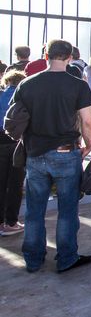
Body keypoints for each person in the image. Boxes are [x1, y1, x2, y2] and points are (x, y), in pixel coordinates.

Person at [10, 39, 91, 272]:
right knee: (67, 210)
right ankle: (67, 258)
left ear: (46, 56)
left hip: (34, 154)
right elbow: (87, 121)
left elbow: (15, 117)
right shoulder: (78, 85)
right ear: (69, 58)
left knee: (34, 210)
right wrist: (89, 145)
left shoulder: (27, 84)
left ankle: (33, 259)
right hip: (66, 154)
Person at [0, 70, 26, 236]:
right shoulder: (23, 99)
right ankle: (10, 222)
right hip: (17, 142)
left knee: (0, 183)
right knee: (15, 184)